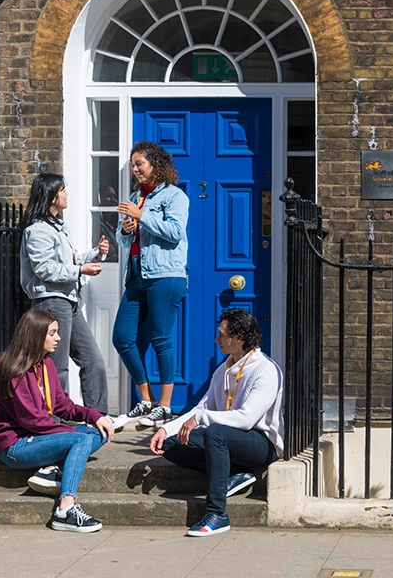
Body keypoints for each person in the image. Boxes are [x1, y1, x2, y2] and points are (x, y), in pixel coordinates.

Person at [149, 308, 284, 537]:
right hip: (228, 438)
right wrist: (165, 428)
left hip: (261, 443)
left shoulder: (265, 370)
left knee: (215, 433)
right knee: (171, 444)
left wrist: (202, 418)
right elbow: (201, 409)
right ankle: (234, 474)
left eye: (222, 334)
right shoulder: (224, 368)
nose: (216, 339)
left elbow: (246, 418)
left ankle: (217, 514)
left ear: (238, 338)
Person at [0, 308, 115, 532]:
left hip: (40, 437)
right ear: (36, 335)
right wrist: (70, 434)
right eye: (53, 333)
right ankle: (65, 509)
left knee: (99, 432)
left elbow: (62, 406)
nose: (58, 338)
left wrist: (95, 416)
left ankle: (51, 469)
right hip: (16, 446)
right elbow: (31, 420)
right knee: (80, 440)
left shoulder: (46, 365)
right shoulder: (11, 369)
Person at [19, 172, 110, 415]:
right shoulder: (37, 231)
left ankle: (98, 417)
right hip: (50, 301)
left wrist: (95, 254)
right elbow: (45, 269)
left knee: (93, 361)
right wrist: (81, 270)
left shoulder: (59, 227)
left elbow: (69, 260)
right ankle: (58, 421)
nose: (66, 194)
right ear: (50, 196)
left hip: (68, 300)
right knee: (57, 368)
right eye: (62, 190)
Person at [113, 140, 189, 428]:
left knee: (160, 338)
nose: (134, 169)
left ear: (155, 165)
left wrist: (142, 216)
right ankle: (146, 400)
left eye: (139, 164)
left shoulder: (174, 196)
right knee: (122, 337)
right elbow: (124, 242)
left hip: (165, 275)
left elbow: (175, 231)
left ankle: (166, 406)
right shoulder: (135, 197)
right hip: (136, 275)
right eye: (132, 165)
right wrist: (125, 228)